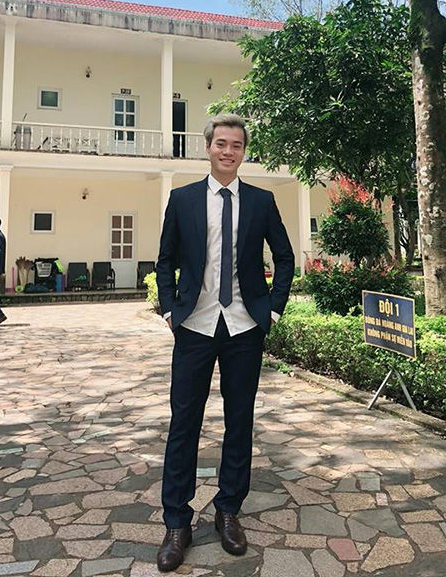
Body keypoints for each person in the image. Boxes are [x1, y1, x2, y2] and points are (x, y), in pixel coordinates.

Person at [155, 114, 294, 572]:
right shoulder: (183, 199)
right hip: (194, 326)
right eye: (221, 143)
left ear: (243, 151)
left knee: (239, 422)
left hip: (243, 327)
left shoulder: (261, 201)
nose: (228, 151)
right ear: (208, 147)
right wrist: (172, 310)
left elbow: (285, 256)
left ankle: (228, 509)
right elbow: (166, 258)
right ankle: (177, 522)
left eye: (236, 144)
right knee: (184, 424)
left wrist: (271, 310)